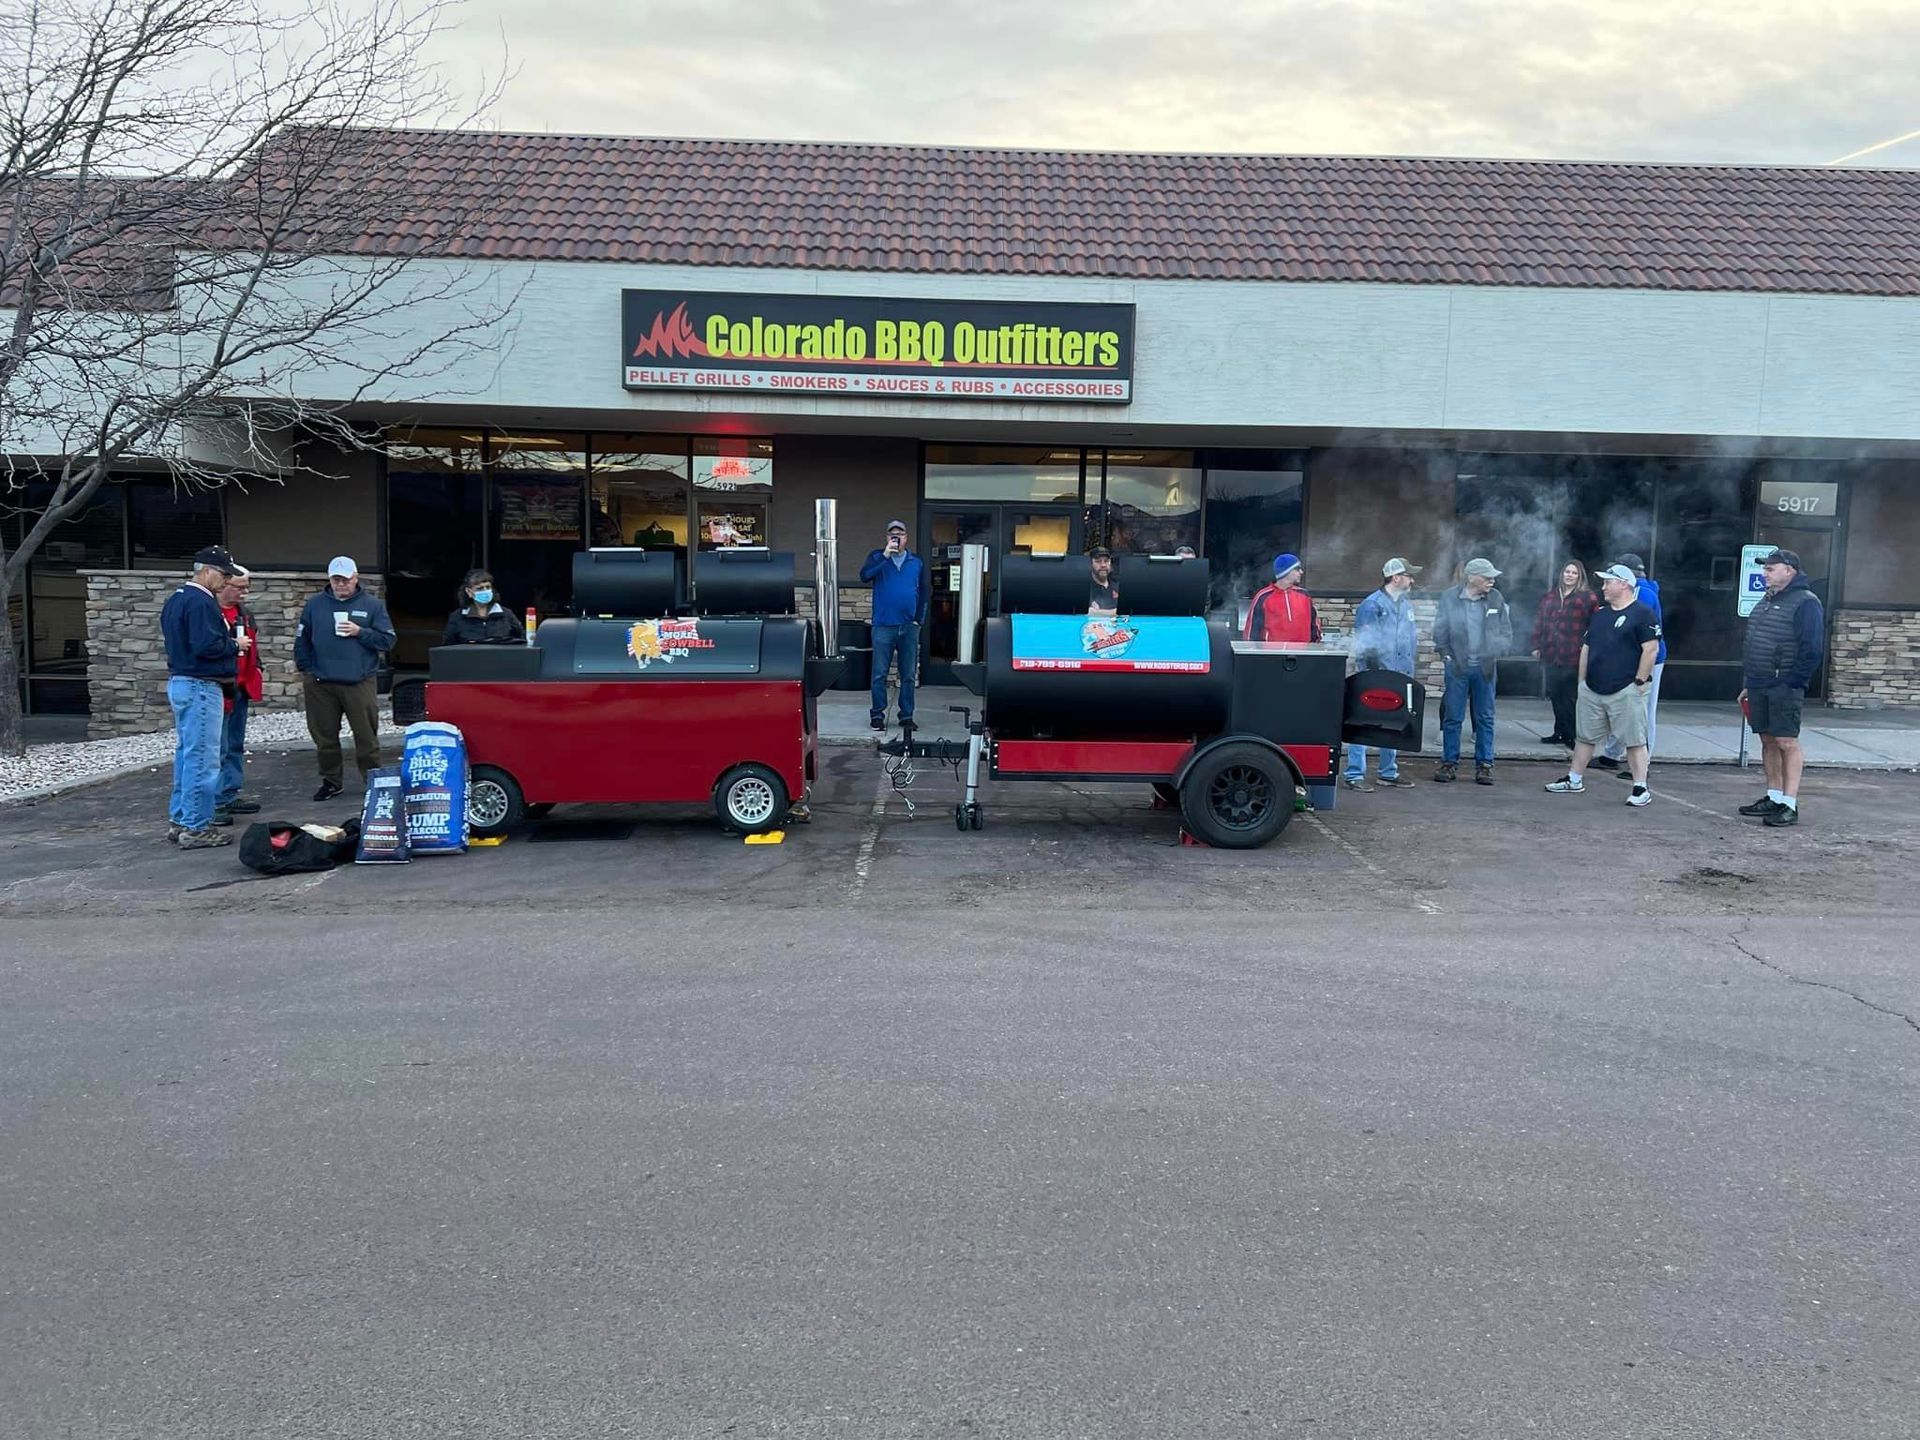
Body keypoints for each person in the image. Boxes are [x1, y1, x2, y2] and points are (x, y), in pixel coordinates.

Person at [1543, 564, 1663, 807]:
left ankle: (1640, 788)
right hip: (1593, 689)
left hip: (1626, 689)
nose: (1604, 587)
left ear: (1624, 585)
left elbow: (1651, 650)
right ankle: (1574, 779)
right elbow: (1586, 648)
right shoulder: (1600, 615)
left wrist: (1639, 682)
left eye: (1608, 582)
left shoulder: (1642, 614)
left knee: (1634, 739)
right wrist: (1582, 683)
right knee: (1585, 737)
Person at [160, 545, 244, 848]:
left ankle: (181, 819)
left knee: (186, 755)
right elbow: (206, 646)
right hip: (201, 684)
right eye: (223, 574)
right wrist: (235, 645)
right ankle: (196, 826)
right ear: (206, 570)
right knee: (203, 759)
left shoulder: (177, 600)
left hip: (180, 681)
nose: (226, 582)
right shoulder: (201, 602)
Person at [294, 556, 396, 802]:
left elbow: (388, 640)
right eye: (336, 579)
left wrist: (360, 632)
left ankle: (373, 781)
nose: (341, 584)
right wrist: (308, 669)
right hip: (321, 683)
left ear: (356, 578)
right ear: (329, 579)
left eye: (346, 579)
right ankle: (331, 781)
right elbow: (302, 639)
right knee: (324, 736)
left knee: (366, 737)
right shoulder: (315, 605)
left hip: (358, 682)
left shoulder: (372, 605)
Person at [1738, 548, 1825, 828]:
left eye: (1771, 569)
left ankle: (1789, 803)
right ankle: (1774, 796)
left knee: (1787, 741)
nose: (1765, 573)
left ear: (1790, 571)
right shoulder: (1767, 599)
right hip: (1760, 682)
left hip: (1784, 685)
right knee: (1767, 739)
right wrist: (1749, 683)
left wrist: (1792, 682)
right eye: (1765, 569)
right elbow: (1755, 643)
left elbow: (1812, 649)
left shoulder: (1806, 602)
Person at [1431, 557, 1512, 785]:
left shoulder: (1495, 598)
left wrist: (1499, 650)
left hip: (1485, 668)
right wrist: (1446, 656)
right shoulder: (1450, 598)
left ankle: (1485, 765)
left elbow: (1506, 630)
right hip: (1457, 667)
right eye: (1487, 577)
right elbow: (1440, 630)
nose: (1492, 581)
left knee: (1485, 718)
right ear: (1472, 577)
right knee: (1452, 717)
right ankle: (1449, 763)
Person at [1344, 556, 1422, 791]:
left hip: (1399, 672)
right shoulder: (1372, 605)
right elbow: (1365, 642)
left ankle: (1388, 772)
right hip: (1375, 673)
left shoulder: (1405, 605)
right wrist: (1374, 671)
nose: (1412, 579)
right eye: (1408, 575)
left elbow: (1410, 639)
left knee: (1395, 722)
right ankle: (1354, 774)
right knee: (1363, 721)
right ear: (1396, 577)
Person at [1592, 552, 1666, 777]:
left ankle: (1644, 762)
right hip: (1634, 655)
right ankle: (1612, 754)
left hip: (1647, 657)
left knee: (1643, 711)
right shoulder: (1645, 589)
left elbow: (1631, 626)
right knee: (1622, 706)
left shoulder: (1642, 593)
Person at [858, 519, 929, 732]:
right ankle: (877, 715)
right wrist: (885, 555)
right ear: (887, 538)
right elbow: (864, 576)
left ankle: (906, 715)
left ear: (906, 538)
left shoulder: (916, 561)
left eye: (900, 535)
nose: (896, 538)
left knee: (907, 675)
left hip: (909, 626)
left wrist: (919, 619)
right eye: (892, 535)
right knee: (879, 673)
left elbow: (924, 591)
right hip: (883, 625)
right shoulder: (877, 557)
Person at [214, 565, 264, 825]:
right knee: (217, 747)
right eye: (240, 587)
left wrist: (257, 668)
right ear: (224, 584)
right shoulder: (211, 613)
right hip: (220, 689)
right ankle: (215, 801)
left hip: (241, 687)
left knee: (234, 744)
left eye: (247, 587)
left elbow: (254, 647)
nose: (245, 592)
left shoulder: (245, 615)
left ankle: (229, 792)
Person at [1531, 559, 1599, 748]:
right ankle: (1559, 731)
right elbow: (1540, 622)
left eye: (1574, 573)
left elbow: (1595, 626)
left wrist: (1589, 649)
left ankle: (1571, 735)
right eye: (1567, 572)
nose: (1569, 575)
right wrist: (1536, 645)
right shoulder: (1550, 597)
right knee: (1555, 694)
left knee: (1570, 696)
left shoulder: (1587, 598)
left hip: (1573, 654)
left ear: (1580, 576)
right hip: (1552, 652)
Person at [1244, 553, 1321, 643]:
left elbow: (1314, 625)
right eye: (1297, 569)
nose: (1301, 572)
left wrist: (1314, 647)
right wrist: (1253, 652)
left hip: (1302, 653)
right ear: (1286, 572)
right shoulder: (1263, 597)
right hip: (1273, 654)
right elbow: (1252, 630)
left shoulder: (1304, 595)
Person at [441, 568, 524, 645]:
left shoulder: (506, 614)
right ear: (469, 591)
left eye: (488, 587)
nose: (485, 591)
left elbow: (522, 639)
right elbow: (447, 647)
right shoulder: (457, 617)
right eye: (479, 588)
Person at [1087, 546, 1119, 613]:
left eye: (1106, 561)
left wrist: (1098, 612)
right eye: (1098, 561)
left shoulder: (1118, 586)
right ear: (1090, 564)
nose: (1103, 565)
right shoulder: (1084, 588)